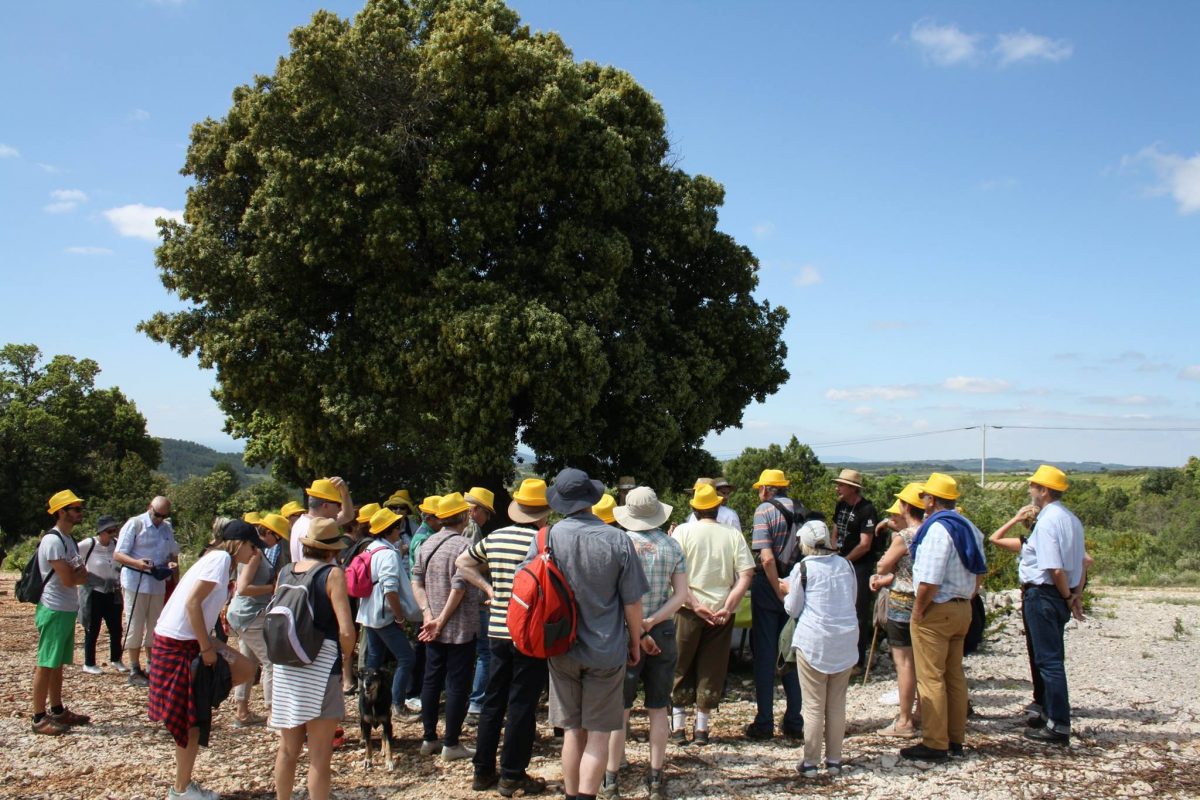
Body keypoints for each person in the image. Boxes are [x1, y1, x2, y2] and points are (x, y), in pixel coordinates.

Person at [531, 468, 648, 800]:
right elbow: (633, 602)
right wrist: (635, 641)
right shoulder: (617, 540)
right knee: (598, 734)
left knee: (572, 732)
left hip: (561, 647)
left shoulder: (545, 538)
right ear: (591, 501)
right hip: (606, 649)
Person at [148, 519, 259, 800]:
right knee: (191, 723)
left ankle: (182, 787)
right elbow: (193, 603)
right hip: (178, 643)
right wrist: (207, 648)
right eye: (252, 546)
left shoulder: (218, 560)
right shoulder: (220, 559)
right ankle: (181, 789)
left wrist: (211, 643)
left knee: (246, 669)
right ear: (240, 543)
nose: (254, 553)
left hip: (190, 640)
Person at [456, 478, 552, 796]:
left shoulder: (496, 537)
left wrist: (488, 589)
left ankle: (482, 771)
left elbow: (463, 562)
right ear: (543, 512)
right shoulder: (544, 542)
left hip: (498, 629)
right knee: (522, 703)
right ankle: (512, 773)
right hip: (531, 632)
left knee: (493, 701)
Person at [603, 487, 688, 800]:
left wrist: (639, 627)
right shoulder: (672, 545)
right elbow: (680, 596)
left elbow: (614, 595)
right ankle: (655, 776)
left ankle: (611, 778)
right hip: (663, 629)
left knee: (619, 709)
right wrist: (653, 622)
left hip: (626, 633)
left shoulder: (620, 544)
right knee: (657, 707)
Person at [900, 473, 987, 762]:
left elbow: (930, 580)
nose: (923, 500)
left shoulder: (938, 530)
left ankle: (935, 743)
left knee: (931, 678)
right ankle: (955, 738)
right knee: (954, 676)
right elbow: (980, 571)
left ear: (932, 500)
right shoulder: (969, 527)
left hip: (937, 608)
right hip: (964, 606)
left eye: (925, 495)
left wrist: (919, 610)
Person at [271, 518, 356, 800]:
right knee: (320, 757)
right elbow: (346, 629)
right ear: (332, 550)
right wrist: (346, 659)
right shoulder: (332, 574)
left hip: (286, 665)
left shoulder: (285, 571)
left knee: (287, 749)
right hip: (320, 667)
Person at [669, 484, 754, 744]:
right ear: (718, 507)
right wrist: (729, 605)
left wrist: (694, 603)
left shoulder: (681, 532)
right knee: (712, 668)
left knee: (680, 666)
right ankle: (702, 729)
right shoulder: (732, 535)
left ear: (694, 508)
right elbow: (746, 574)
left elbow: (673, 574)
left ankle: (678, 728)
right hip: (720, 612)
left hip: (687, 609)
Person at [1015, 465, 1087, 745]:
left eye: (1033, 486)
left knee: (1048, 661)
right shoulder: (1071, 519)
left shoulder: (1046, 522)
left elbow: (1054, 568)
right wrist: (1074, 594)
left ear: (1043, 491)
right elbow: (1079, 564)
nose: (1030, 490)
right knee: (1050, 657)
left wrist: (1067, 596)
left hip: (1044, 594)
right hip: (1059, 594)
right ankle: (1049, 714)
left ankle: (1058, 725)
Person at [783, 517, 857, 778]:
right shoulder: (846, 565)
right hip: (846, 639)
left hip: (814, 640)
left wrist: (786, 590)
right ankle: (835, 761)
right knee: (837, 704)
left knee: (813, 705)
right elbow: (852, 598)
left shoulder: (803, 568)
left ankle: (811, 762)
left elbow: (792, 608)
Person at [413, 492, 483, 761]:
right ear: (464, 517)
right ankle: (451, 743)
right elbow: (460, 586)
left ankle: (429, 737)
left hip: (430, 627)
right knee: (457, 684)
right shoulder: (463, 546)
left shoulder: (426, 543)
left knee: (431, 680)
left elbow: (416, 581)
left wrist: (429, 615)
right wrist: (441, 620)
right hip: (460, 627)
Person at [746, 468, 804, 741]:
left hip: (771, 587)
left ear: (767, 490)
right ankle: (794, 719)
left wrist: (776, 589)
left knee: (766, 655)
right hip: (797, 584)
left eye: (760, 488)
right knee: (791, 652)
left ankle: (765, 722)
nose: (759, 493)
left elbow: (767, 558)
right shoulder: (802, 510)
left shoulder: (763, 511)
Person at [869, 483, 927, 738]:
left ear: (905, 506)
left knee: (904, 663)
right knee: (923, 662)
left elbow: (883, 566)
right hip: (926, 600)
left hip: (902, 601)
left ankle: (904, 721)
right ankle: (923, 713)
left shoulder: (906, 536)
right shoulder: (931, 530)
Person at [31, 490, 91, 735]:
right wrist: (78, 575)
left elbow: (81, 574)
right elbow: (69, 579)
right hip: (54, 608)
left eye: (79, 508)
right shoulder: (53, 541)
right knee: (46, 664)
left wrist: (78, 575)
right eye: (75, 509)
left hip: (65, 609)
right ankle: (38, 718)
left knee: (56, 664)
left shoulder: (68, 540)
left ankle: (57, 710)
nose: (79, 512)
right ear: (61, 512)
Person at [358, 507, 421, 718]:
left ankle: (367, 706)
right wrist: (400, 616)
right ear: (390, 529)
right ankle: (397, 705)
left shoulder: (371, 549)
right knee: (407, 658)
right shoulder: (388, 554)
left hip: (368, 612)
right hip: (383, 615)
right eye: (397, 525)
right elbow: (390, 589)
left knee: (373, 660)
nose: (400, 528)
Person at [114, 496, 181, 687]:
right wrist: (138, 563)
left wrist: (174, 574)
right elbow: (118, 554)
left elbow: (172, 553)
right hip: (136, 580)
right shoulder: (135, 524)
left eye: (163, 515)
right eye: (157, 514)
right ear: (149, 507)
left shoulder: (167, 528)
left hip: (157, 582)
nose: (159, 519)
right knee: (135, 624)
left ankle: (152, 665)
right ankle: (135, 667)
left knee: (155, 625)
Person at [227, 516, 285, 727]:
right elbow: (243, 588)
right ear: (268, 533)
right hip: (249, 613)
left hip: (243, 613)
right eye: (277, 538)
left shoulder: (253, 552)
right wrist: (272, 588)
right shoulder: (256, 554)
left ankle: (242, 712)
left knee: (248, 661)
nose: (277, 543)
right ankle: (272, 713)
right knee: (271, 662)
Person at [831, 469, 879, 670]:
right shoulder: (841, 505)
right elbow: (835, 529)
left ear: (852, 488)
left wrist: (846, 561)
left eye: (841, 485)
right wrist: (833, 552)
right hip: (840, 561)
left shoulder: (867, 510)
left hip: (859, 566)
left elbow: (865, 544)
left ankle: (857, 661)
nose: (837, 488)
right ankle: (840, 656)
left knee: (858, 611)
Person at [78, 514, 125, 676]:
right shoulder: (88, 544)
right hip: (94, 593)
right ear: (101, 531)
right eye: (109, 530)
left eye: (115, 529)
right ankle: (89, 662)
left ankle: (116, 659)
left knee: (116, 629)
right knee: (92, 628)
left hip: (113, 592)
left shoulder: (117, 545)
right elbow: (72, 556)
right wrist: (82, 574)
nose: (113, 533)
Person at [465, 486, 497, 717]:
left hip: (460, 599)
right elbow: (472, 563)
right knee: (486, 652)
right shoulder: (473, 528)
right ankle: (477, 702)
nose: (486, 519)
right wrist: (494, 560)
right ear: (476, 510)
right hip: (475, 599)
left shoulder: (455, 526)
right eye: (487, 513)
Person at [290, 477, 355, 564]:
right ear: (325, 506)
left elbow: (348, 515)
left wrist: (345, 492)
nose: (340, 509)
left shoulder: (309, 524)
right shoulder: (312, 531)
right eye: (338, 504)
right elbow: (311, 569)